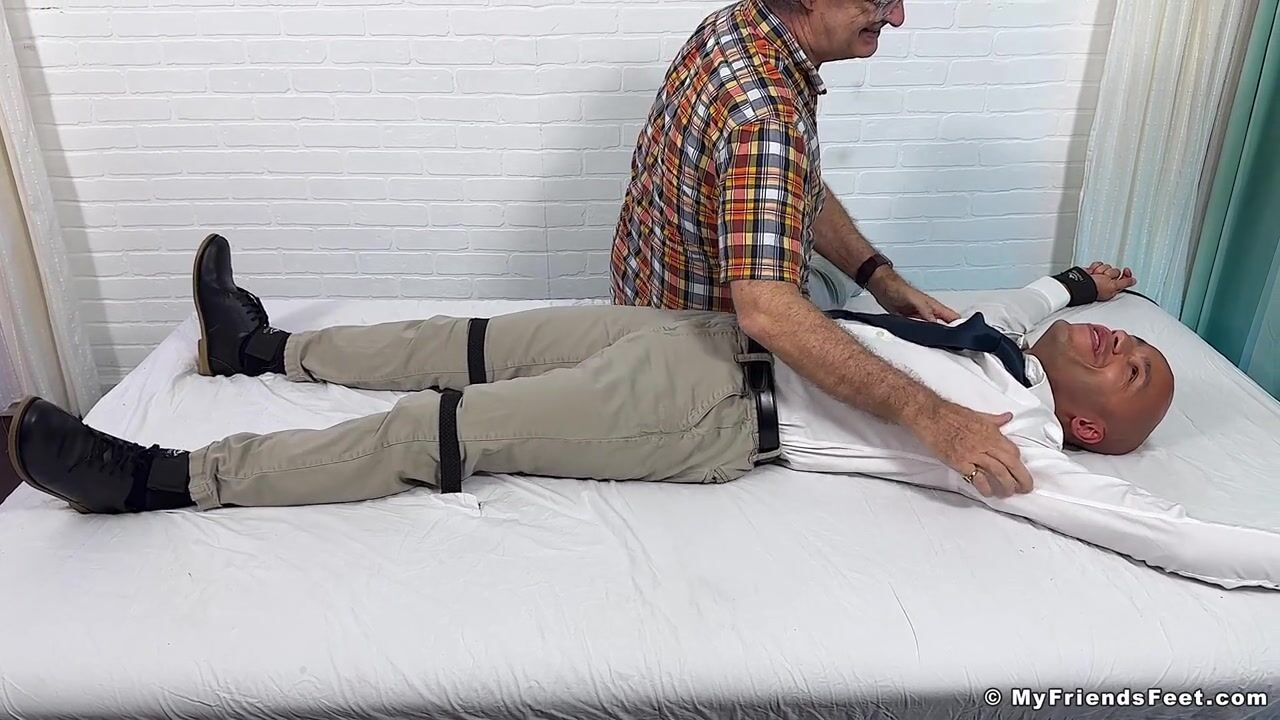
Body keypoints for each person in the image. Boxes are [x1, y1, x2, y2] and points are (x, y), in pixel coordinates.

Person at [8, 235, 1173, 515]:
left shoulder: (1021, 442)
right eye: (1136, 340)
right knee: (466, 339)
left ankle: (155, 481)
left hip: (710, 411)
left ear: (1087, 429)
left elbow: (1167, 540)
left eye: (1132, 374)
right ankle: (257, 349)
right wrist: (1080, 282)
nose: (1123, 346)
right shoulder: (994, 341)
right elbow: (1035, 306)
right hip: (697, 337)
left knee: (446, 423)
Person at [611, 0, 1037, 492]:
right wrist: (934, 417)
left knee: (838, 278)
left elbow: (796, 181)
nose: (896, 17)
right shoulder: (767, 116)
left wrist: (879, 277)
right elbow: (767, 314)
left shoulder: (736, 25)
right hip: (698, 354)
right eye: (879, 0)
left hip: (643, 291)